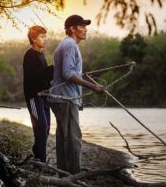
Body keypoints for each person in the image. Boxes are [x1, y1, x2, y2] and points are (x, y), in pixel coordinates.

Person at [49, 15, 106, 174]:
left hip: (63, 98)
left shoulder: (67, 44)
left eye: (85, 26)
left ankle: (64, 174)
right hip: (65, 99)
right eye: (82, 26)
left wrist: (78, 100)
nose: (85, 29)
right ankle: (74, 174)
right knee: (74, 138)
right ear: (72, 29)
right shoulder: (69, 45)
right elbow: (68, 73)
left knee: (63, 138)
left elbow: (69, 72)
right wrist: (93, 87)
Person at [23, 25, 53, 162]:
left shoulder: (41, 54)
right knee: (40, 127)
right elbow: (34, 77)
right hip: (34, 98)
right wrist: (52, 69)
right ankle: (40, 159)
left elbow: (45, 76)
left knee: (46, 128)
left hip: (44, 97)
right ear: (34, 39)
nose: (45, 39)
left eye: (45, 36)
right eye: (42, 37)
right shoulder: (29, 55)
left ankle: (38, 154)